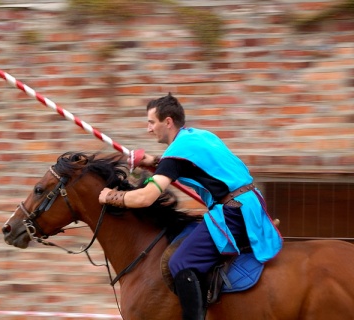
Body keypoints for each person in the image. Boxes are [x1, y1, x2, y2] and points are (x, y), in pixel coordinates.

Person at [98, 93, 283, 320]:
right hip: (249, 203)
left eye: (151, 122)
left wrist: (110, 196)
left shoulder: (177, 153)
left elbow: (145, 198)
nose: (148, 129)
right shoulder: (199, 137)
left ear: (167, 122)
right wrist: (155, 161)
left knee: (180, 262)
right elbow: (189, 166)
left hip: (232, 211)